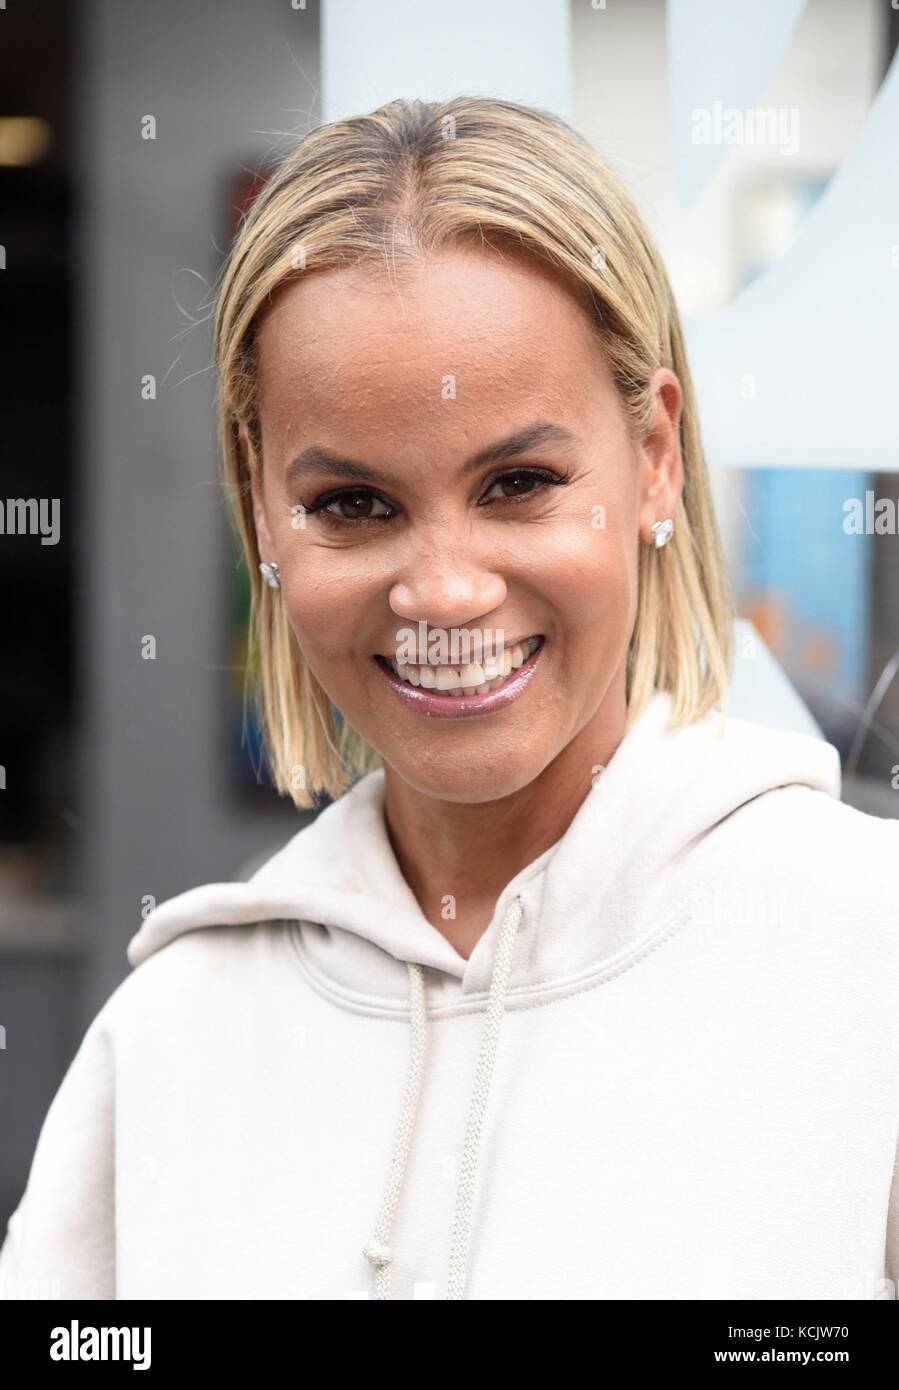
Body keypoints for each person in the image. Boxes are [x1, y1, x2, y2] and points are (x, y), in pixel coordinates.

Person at [2, 96, 897, 1302]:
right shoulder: (170, 1032)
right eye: (352, 505)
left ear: (654, 461)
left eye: (518, 482)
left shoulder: (866, 956)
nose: (442, 590)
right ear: (260, 511)